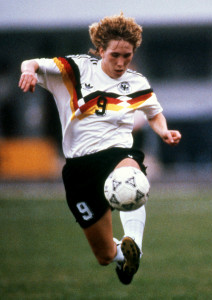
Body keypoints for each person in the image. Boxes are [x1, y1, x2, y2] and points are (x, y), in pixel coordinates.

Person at [18, 13, 181, 285]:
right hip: (78, 168)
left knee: (132, 178)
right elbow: (32, 63)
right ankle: (125, 259)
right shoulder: (76, 68)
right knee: (104, 254)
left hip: (116, 153)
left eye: (127, 56)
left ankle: (135, 244)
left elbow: (154, 112)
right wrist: (27, 72)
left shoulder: (136, 82)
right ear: (101, 49)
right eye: (115, 55)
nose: (121, 63)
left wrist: (163, 130)